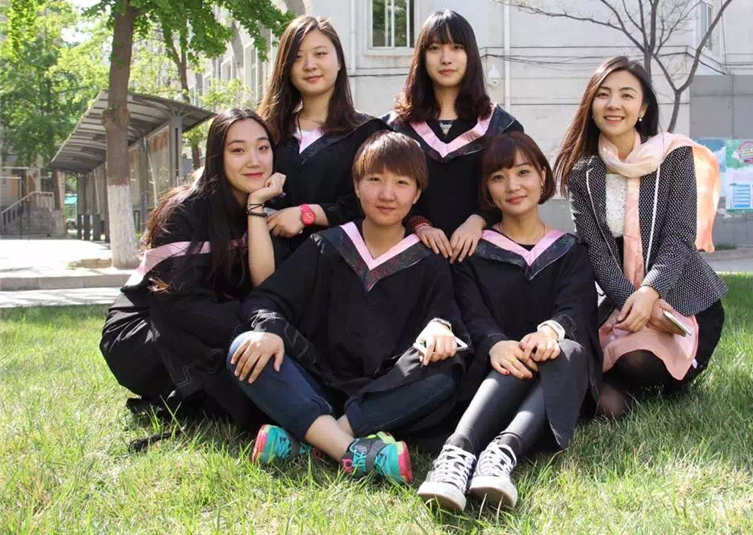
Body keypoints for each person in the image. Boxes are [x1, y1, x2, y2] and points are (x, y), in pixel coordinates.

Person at [228, 131, 467, 485]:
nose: (387, 194)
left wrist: (440, 325)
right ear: (356, 186)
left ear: (417, 194)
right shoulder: (326, 246)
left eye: (401, 183)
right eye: (375, 180)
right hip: (317, 382)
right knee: (245, 346)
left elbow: (447, 319)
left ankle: (312, 440)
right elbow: (265, 300)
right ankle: (352, 450)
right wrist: (269, 332)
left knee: (448, 365)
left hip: (384, 392)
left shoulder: (429, 261)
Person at [417, 132, 600, 511]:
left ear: (543, 176)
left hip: (554, 372)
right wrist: (495, 343)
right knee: (514, 359)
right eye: (498, 177)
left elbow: (576, 306)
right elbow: (470, 310)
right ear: (486, 190)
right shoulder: (471, 251)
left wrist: (550, 330)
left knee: (568, 349)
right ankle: (455, 456)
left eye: (523, 172)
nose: (513, 186)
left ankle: (501, 454)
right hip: (492, 375)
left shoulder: (570, 250)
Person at [555, 56, 727, 418]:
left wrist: (651, 293)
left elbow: (678, 237)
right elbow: (597, 253)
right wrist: (636, 305)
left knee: (638, 363)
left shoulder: (674, 155)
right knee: (608, 388)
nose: (614, 104)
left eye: (626, 95)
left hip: (681, 296)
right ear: (591, 104)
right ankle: (612, 387)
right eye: (604, 94)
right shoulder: (583, 174)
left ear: (643, 107)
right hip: (617, 301)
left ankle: (656, 374)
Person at [100, 109, 285, 428]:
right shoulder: (185, 212)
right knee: (252, 383)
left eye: (262, 148)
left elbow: (268, 286)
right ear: (217, 157)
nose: (254, 160)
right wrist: (255, 330)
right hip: (149, 330)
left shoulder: (267, 208)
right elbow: (180, 305)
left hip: (216, 321)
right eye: (238, 150)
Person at [385, 9, 522, 263]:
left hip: (484, 261)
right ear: (421, 56)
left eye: (457, 47)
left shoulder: (503, 128)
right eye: (435, 48)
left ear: (470, 55)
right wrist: (419, 223)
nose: (446, 59)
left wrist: (478, 220)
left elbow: (515, 192)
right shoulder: (394, 129)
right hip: (413, 261)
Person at [258, 15, 386, 257]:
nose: (309, 65)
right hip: (270, 266)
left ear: (339, 61)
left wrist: (308, 213)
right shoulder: (268, 132)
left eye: (320, 54)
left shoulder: (369, 133)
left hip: (341, 265)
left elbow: (379, 204)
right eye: (297, 57)